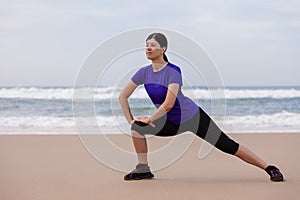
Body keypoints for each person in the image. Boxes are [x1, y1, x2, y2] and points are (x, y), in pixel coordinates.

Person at [118, 32, 284, 182]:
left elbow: (169, 103)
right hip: (170, 122)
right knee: (137, 128)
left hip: (193, 118)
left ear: (163, 49)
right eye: (146, 45)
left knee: (227, 145)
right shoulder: (143, 73)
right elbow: (123, 96)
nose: (148, 48)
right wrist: (131, 120)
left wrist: (150, 118)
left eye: (152, 45)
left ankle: (269, 168)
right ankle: (143, 169)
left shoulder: (173, 71)